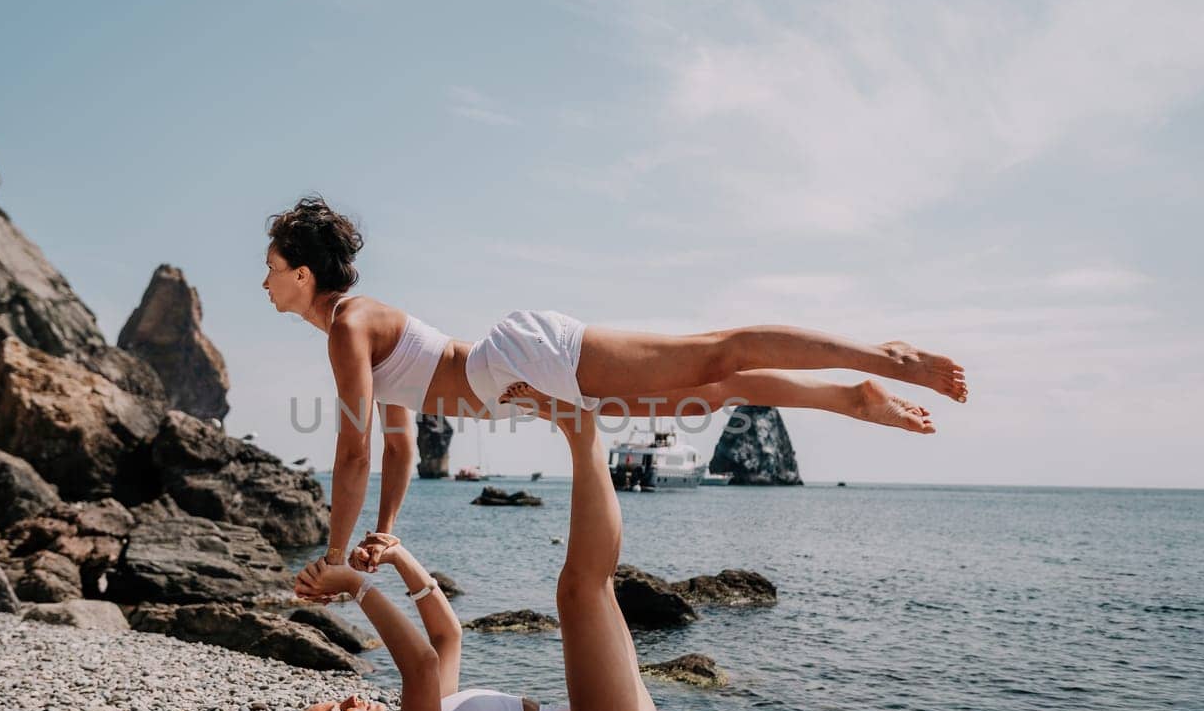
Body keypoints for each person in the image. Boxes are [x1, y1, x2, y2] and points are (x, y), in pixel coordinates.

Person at [262, 195, 967, 573]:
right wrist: (381, 535)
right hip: (521, 386)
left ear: (302, 273)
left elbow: (353, 453)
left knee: (716, 352)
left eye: (271, 266)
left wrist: (332, 557)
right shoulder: (351, 331)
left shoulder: (350, 326)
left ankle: (885, 357)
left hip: (517, 359)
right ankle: (849, 397)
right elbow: (399, 446)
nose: (263, 281)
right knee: (714, 390)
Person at [274, 401, 662, 711]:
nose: (353, 697)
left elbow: (447, 636)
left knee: (596, 585)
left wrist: (398, 556)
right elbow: (421, 666)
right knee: (580, 590)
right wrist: (356, 586)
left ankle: (581, 429)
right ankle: (580, 429)